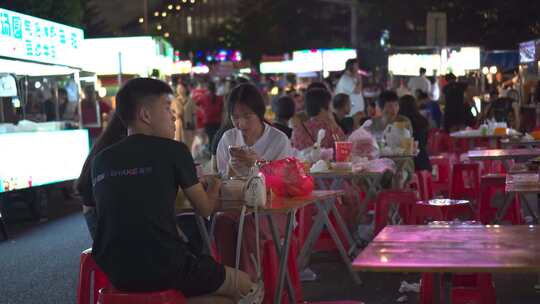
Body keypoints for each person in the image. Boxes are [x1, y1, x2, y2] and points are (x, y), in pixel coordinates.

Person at [88, 78, 261, 303]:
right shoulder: (174, 150)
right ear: (145, 115)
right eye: (167, 109)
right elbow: (206, 209)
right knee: (247, 287)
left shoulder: (100, 160)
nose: (173, 116)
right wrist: (216, 183)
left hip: (115, 270)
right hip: (166, 266)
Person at [215, 83, 293, 279]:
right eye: (235, 117)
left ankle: (250, 284)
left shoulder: (278, 140)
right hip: (237, 206)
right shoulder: (228, 139)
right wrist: (232, 170)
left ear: (259, 113)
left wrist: (257, 164)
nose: (241, 124)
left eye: (247, 116)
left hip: (275, 209)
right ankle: (230, 281)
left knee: (249, 224)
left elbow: (282, 184)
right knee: (221, 222)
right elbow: (222, 179)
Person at [399, 95, 431, 171]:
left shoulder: (401, 123)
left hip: (409, 164)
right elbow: (425, 142)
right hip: (424, 161)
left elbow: (402, 147)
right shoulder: (422, 121)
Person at [200, 82, 223, 146]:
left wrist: (203, 111)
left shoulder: (203, 98)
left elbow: (197, 105)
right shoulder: (220, 98)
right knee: (216, 139)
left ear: (207, 89)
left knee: (210, 138)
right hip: (217, 121)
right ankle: (214, 152)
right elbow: (222, 110)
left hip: (207, 121)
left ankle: (211, 152)